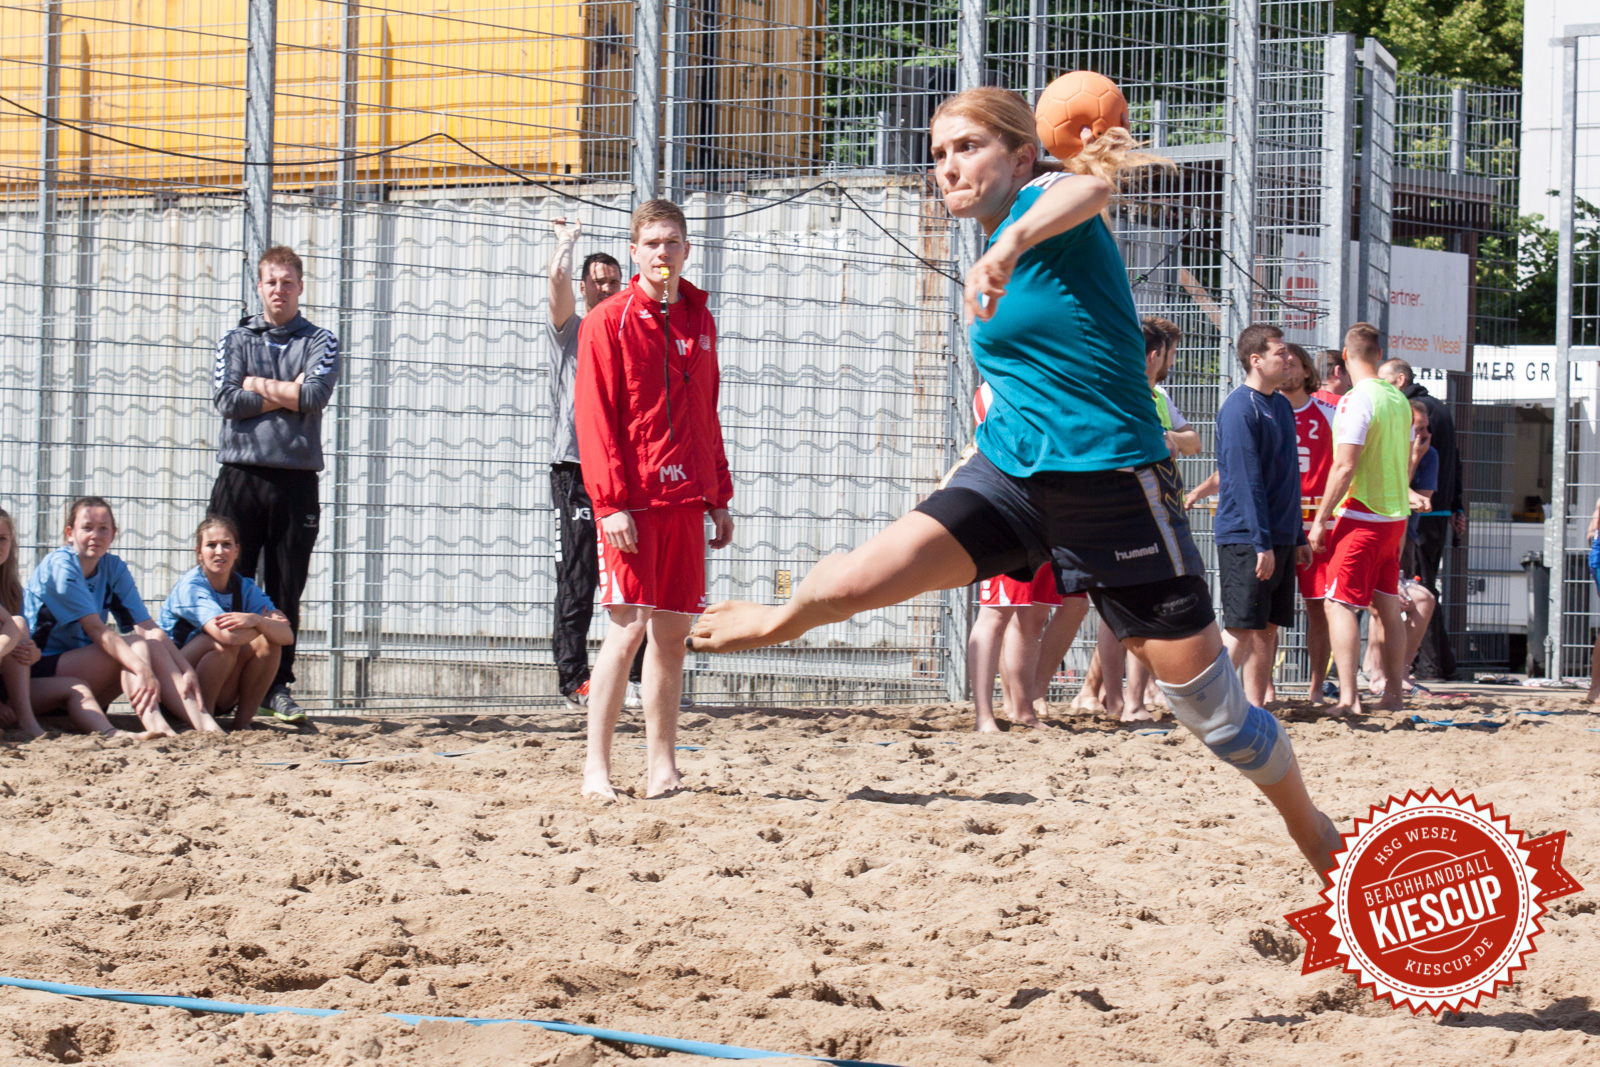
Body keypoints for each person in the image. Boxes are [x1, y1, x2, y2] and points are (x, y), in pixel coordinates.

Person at [690, 87, 1340, 875]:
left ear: (1022, 155)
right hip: (1010, 475)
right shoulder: (997, 233)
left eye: (967, 146)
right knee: (853, 582)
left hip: (1113, 487)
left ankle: (1313, 830)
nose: (948, 166)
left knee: (1218, 718)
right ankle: (775, 623)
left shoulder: (1048, 210)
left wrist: (1008, 247)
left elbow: (1091, 185)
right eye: (937, 154)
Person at [575, 198, 735, 799]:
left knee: (672, 634)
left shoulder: (700, 319)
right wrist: (609, 502)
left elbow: (705, 415)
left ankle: (663, 767)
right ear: (635, 251)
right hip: (633, 505)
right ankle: (597, 768)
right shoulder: (607, 321)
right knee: (626, 631)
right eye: (652, 244)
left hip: (686, 502)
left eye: (673, 243)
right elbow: (596, 419)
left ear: (686, 249)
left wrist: (717, 494)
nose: (663, 253)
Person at [208, 245, 339, 725]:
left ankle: (276, 687)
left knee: (286, 586)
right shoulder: (236, 338)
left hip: (296, 478)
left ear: (300, 287)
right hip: (240, 473)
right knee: (227, 581)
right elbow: (226, 399)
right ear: (259, 287)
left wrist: (256, 384)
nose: (279, 290)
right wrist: (283, 392)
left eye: (287, 282)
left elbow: (314, 395)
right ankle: (221, 684)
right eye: (271, 282)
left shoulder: (321, 340)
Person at [545, 218, 645, 711]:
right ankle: (574, 680)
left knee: (636, 574)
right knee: (578, 574)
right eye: (596, 282)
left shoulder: (630, 334)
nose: (605, 289)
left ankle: (642, 677)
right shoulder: (573, 332)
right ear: (584, 288)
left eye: (612, 282)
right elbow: (556, 285)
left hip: (624, 472)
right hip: (576, 470)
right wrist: (566, 244)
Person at [24, 497, 214, 738]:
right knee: (135, 646)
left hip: (82, 674)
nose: (96, 535)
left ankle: (206, 726)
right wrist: (142, 669)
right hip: (38, 674)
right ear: (69, 533)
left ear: (113, 534)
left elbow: (148, 627)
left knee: (150, 644)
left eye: (103, 528)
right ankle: (158, 727)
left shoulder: (112, 567)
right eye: (87, 527)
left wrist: (186, 669)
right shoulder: (60, 566)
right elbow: (96, 630)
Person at [968, 384, 1090, 731]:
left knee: (1031, 615)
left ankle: (1022, 709)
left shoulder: (1038, 380)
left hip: (1045, 511)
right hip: (1008, 508)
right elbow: (1015, 445)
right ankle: (984, 716)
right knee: (997, 613)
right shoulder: (997, 387)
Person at [1308, 323, 1413, 715]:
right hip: (1393, 517)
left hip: (1362, 514)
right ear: (1379, 352)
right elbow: (1403, 460)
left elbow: (1345, 465)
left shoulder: (1357, 399)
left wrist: (1320, 520)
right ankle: (1394, 694)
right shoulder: (1397, 398)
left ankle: (1349, 698)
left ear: (1346, 356)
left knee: (1338, 604)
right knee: (1387, 605)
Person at [1214, 325, 1307, 707]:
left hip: (1280, 536)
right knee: (1240, 626)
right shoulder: (1239, 408)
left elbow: (1288, 475)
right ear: (1256, 360)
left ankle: (1256, 707)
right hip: (1247, 537)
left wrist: (1297, 535)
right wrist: (1260, 542)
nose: (1289, 360)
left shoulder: (1281, 404)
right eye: (1280, 353)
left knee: (1268, 628)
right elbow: (1244, 480)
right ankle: (1209, 707)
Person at [160, 515, 295, 730]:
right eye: (211, 545)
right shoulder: (192, 587)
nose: (219, 551)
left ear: (237, 551)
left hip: (220, 684)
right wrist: (263, 624)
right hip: (174, 689)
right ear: (199, 552)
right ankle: (204, 720)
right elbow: (227, 636)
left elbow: (286, 636)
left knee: (270, 643)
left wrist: (256, 620)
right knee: (222, 645)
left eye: (226, 544)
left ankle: (242, 724)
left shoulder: (244, 586)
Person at [1378, 357, 1464, 680]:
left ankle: (1425, 665)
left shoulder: (1409, 411)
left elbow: (1436, 466)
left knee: (1413, 592)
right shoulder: (1439, 408)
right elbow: (1456, 461)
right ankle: (1429, 663)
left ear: (1400, 380)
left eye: (1385, 382)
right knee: (1419, 589)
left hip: (1417, 516)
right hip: (1434, 513)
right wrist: (1457, 505)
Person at [1364, 402, 1440, 696]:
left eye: (1425, 429)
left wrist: (1418, 456)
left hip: (1403, 540)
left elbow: (1418, 500)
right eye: (1415, 428)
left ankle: (1401, 671)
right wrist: (1410, 459)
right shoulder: (1384, 450)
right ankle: (1376, 673)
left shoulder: (1429, 455)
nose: (1421, 435)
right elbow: (1395, 497)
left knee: (1422, 600)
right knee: (1386, 603)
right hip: (1375, 534)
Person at [1279, 344, 1337, 704]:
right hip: (1280, 524)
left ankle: (1317, 687)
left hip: (1318, 524)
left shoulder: (1329, 410)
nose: (1286, 370)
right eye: (1281, 363)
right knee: (1269, 614)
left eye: (1293, 365)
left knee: (1319, 607)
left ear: (1305, 372)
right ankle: (1263, 687)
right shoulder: (1264, 409)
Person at [0, 507, 46, 738]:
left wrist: (34, 653)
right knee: (15, 624)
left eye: (2, 539)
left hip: (6, 684)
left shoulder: (13, 590)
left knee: (76, 687)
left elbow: (24, 640)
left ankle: (28, 722)